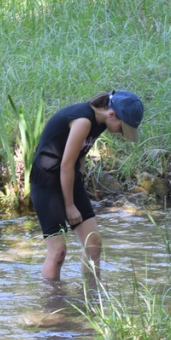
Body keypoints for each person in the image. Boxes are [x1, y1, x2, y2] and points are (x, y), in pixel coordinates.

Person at [30, 90, 144, 282]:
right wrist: (69, 205)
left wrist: (79, 180)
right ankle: (52, 304)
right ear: (111, 114)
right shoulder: (83, 121)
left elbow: (79, 155)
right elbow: (66, 164)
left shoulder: (101, 122)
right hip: (47, 182)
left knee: (93, 243)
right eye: (122, 127)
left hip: (69, 178)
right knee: (58, 252)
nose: (121, 132)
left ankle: (91, 297)